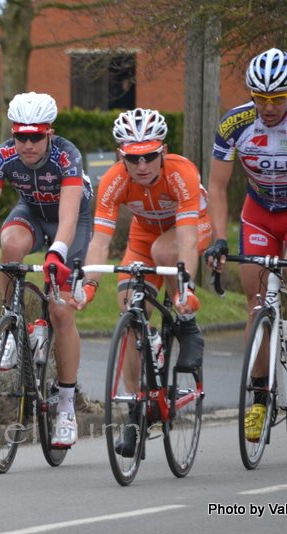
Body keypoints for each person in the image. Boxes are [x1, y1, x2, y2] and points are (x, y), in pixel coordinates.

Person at [0, 92, 93, 448]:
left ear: (49, 133)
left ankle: (67, 408)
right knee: (10, 245)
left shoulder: (66, 155)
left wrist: (57, 255)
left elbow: (70, 217)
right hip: (31, 213)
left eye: (36, 136)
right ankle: (13, 324)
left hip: (70, 223)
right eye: (20, 136)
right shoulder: (1, 156)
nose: (27, 144)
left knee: (61, 312)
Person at [204, 48, 287, 441]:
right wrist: (219, 239)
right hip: (258, 212)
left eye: (277, 98)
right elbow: (218, 185)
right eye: (260, 98)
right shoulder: (235, 124)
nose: (268, 106)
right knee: (257, 304)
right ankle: (259, 398)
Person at [74, 108, 210, 457]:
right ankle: (136, 413)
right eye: (134, 159)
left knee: (166, 250)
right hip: (142, 237)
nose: (142, 166)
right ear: (122, 156)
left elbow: (188, 243)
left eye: (150, 156)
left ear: (163, 152)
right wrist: (88, 286)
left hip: (189, 231)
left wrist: (187, 288)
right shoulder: (114, 179)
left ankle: (186, 323)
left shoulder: (182, 174)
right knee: (129, 310)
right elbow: (100, 243)